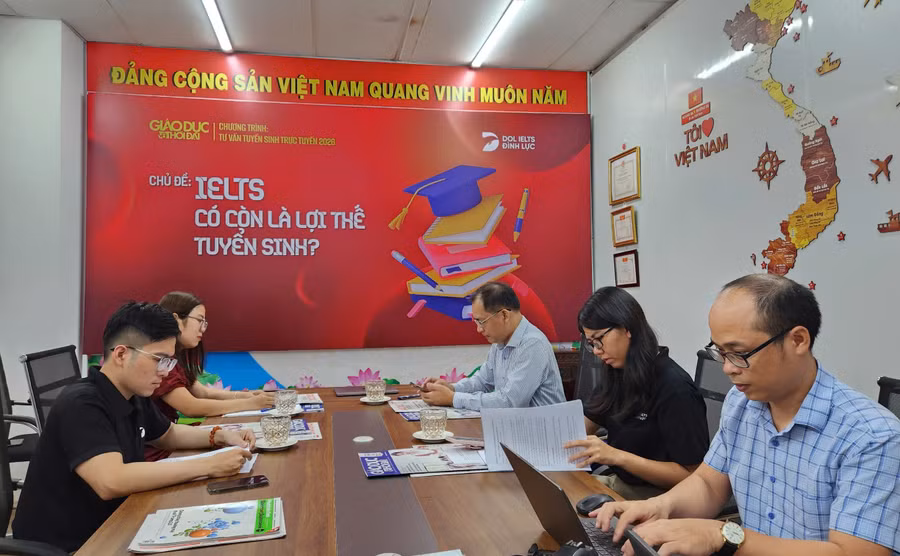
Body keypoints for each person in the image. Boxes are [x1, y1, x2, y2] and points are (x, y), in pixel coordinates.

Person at [594, 274, 900, 556]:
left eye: (739, 353)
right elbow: (709, 484)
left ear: (797, 340)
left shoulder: (871, 436)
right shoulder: (741, 404)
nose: (728, 368)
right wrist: (660, 505)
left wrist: (723, 536)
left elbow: (857, 552)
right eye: (720, 352)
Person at [13, 302, 256, 552]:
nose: (165, 372)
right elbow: (111, 481)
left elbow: (168, 434)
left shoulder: (133, 393)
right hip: (71, 546)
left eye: (169, 362)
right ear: (121, 354)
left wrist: (219, 436)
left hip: (117, 524)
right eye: (159, 360)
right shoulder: (82, 403)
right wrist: (209, 465)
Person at [563, 287, 709, 500]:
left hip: (659, 495)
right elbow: (584, 425)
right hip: (621, 482)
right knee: (557, 493)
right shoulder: (618, 371)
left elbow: (692, 475)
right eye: (591, 343)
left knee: (571, 504)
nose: (596, 350)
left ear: (626, 328)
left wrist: (617, 456)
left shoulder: (675, 388)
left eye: (599, 339)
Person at [146, 292, 274, 460]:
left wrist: (247, 396)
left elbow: (203, 392)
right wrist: (249, 403)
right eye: (199, 321)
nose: (202, 329)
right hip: (159, 452)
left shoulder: (176, 358)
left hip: (171, 440)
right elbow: (191, 407)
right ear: (176, 319)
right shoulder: (162, 361)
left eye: (205, 323)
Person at [422, 281, 565, 410]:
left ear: (504, 315)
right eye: (476, 322)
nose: (479, 329)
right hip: (515, 424)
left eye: (482, 321)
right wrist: (451, 388)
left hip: (541, 428)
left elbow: (510, 402)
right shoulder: (500, 341)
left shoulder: (532, 344)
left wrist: (453, 398)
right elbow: (482, 381)